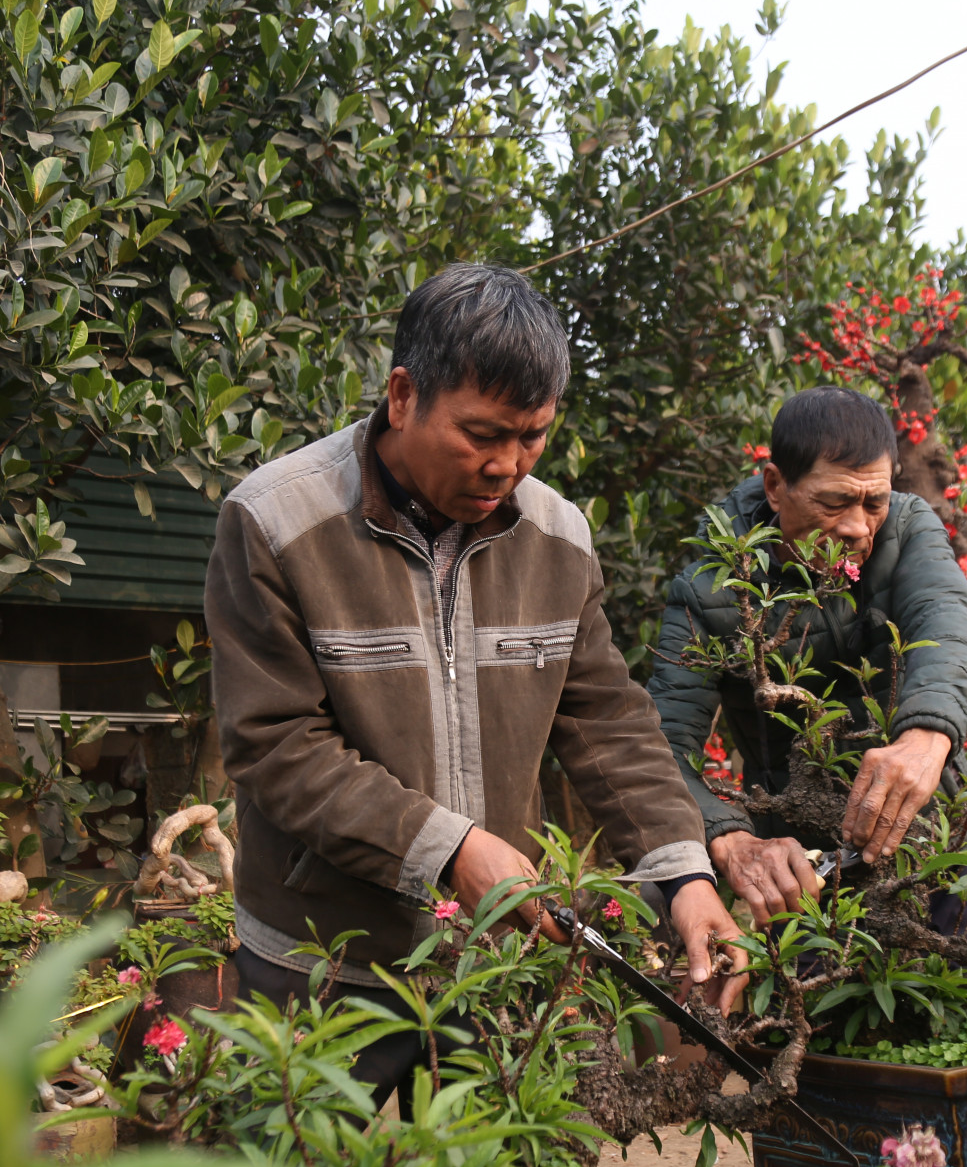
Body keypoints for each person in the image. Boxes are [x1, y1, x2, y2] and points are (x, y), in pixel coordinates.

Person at [206, 263, 747, 1106]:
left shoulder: (559, 536)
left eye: (533, 436)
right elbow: (276, 746)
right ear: (401, 394)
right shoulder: (277, 522)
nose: (507, 465)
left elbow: (607, 722)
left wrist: (685, 875)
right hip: (323, 959)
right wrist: (449, 847)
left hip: (495, 962)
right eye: (483, 433)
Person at [647, 386, 967, 926]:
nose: (857, 527)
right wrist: (730, 839)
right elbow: (664, 745)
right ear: (776, 486)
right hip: (807, 869)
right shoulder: (712, 589)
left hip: (938, 833)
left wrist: (926, 736)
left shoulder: (906, 526)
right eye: (833, 503)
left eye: (873, 502)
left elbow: (948, 613)